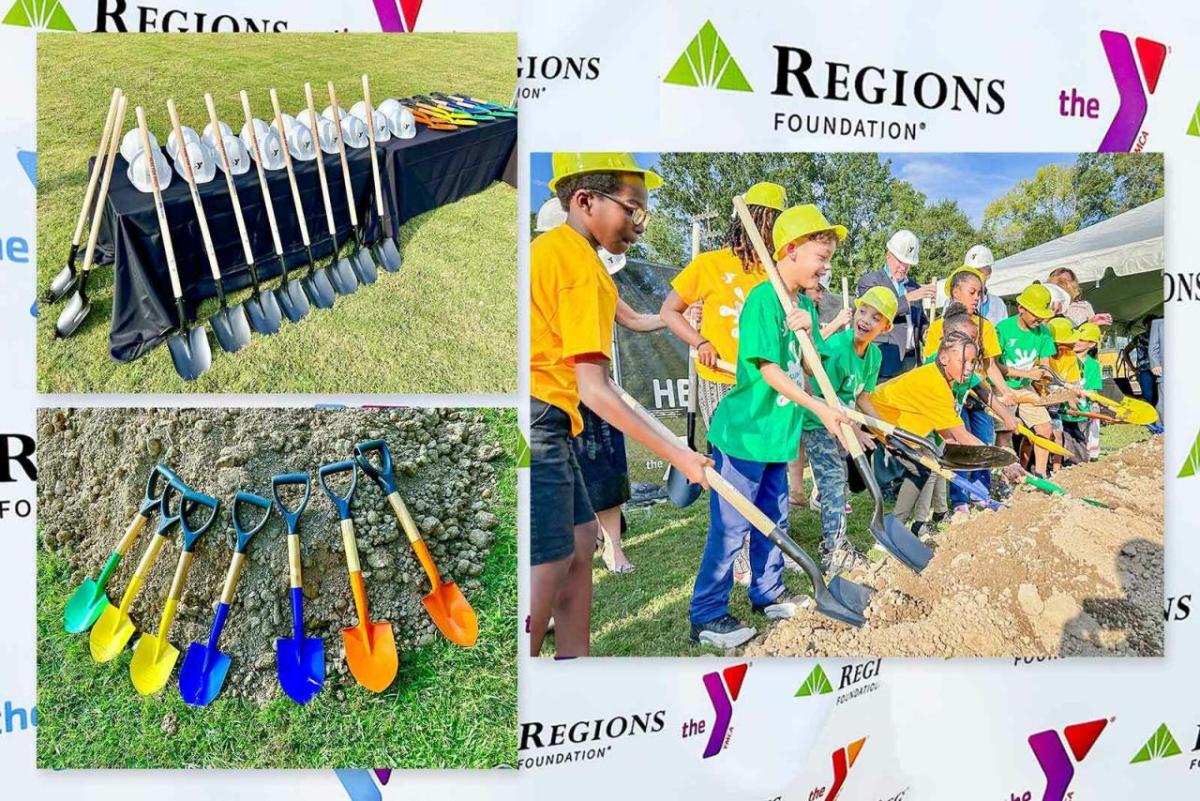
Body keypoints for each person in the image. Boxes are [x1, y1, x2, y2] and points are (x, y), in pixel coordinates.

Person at [530, 152, 711, 657]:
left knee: (584, 535)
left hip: (549, 413)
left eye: (643, 214)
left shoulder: (568, 255)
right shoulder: (577, 267)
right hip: (540, 414)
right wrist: (679, 454)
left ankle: (573, 656)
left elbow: (632, 319)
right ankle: (528, 657)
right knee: (550, 558)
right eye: (632, 210)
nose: (640, 225)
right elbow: (594, 388)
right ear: (586, 201)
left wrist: (678, 322)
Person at [690, 203, 850, 649]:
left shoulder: (804, 308)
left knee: (774, 518)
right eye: (821, 258)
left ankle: (767, 591)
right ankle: (706, 615)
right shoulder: (763, 298)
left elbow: (812, 364)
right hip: (745, 434)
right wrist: (818, 411)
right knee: (731, 527)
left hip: (779, 436)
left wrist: (808, 329)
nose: (825, 268)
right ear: (792, 251)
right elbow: (768, 371)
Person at [660, 181, 789, 586]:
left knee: (764, 474)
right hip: (721, 382)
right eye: (767, 222)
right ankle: (735, 554)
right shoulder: (711, 265)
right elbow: (670, 311)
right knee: (732, 473)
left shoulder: (777, 277)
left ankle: (758, 552)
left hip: (764, 387)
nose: (770, 232)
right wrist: (701, 340)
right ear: (749, 222)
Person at [536, 196, 661, 574]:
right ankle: (569, 557)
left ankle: (612, 547)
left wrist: (676, 319)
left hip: (592, 391)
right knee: (555, 482)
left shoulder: (595, 276)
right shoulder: (554, 266)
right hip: (556, 397)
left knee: (605, 469)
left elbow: (636, 319)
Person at [800, 285, 895, 572]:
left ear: (886, 326)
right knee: (832, 483)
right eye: (863, 312)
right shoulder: (837, 349)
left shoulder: (875, 356)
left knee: (837, 480)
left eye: (875, 317)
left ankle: (835, 542)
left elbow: (862, 395)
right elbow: (828, 398)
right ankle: (833, 551)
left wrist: (882, 429)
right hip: (818, 421)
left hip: (841, 421)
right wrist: (854, 428)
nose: (865, 320)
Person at [921, 265, 1018, 513]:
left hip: (976, 393)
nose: (978, 298)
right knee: (961, 445)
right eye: (973, 292)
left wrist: (1005, 394)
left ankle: (981, 493)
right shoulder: (939, 327)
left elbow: (990, 367)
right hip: (953, 398)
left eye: (981, 293)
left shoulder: (984, 327)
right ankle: (961, 498)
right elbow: (932, 366)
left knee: (984, 438)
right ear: (956, 292)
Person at [994, 284, 1058, 479]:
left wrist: (1047, 379)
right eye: (1035, 314)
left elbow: (1045, 366)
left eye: (1042, 315)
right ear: (1021, 308)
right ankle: (1003, 476)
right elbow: (995, 366)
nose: (1038, 319)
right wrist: (1028, 373)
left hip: (1025, 387)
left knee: (1045, 427)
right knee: (1005, 431)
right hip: (1002, 387)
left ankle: (1040, 473)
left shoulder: (1044, 332)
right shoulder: (1004, 329)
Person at [856, 229, 934, 378]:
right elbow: (876, 312)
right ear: (888, 256)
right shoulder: (871, 281)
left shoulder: (913, 286)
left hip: (911, 361)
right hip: (884, 359)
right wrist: (908, 299)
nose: (903, 267)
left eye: (908, 263)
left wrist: (927, 333)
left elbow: (920, 320)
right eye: (900, 261)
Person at [1045, 317, 1086, 469]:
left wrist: (1073, 405)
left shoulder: (1069, 356)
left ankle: (1057, 470)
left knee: (1057, 435)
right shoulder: (1044, 355)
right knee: (1037, 437)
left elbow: (1072, 385)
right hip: (1040, 401)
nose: (1073, 343)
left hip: (1057, 403)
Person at [1069, 322, 1105, 462]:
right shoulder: (1066, 360)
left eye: (1081, 340)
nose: (1076, 342)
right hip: (1065, 408)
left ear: (1091, 344)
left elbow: (1094, 390)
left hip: (1083, 409)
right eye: (1076, 338)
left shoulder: (1094, 365)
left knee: (1080, 441)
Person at [1046, 267, 1114, 328]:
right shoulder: (1044, 304)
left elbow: (1076, 337)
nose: (1065, 285)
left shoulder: (1084, 306)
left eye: (1068, 281)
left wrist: (1091, 324)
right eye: (1060, 281)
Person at [963, 244, 1008, 326]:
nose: (974, 276)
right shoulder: (952, 302)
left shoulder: (998, 304)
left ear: (989, 272)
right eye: (970, 272)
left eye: (978, 271)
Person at [1149, 315, 1164, 422]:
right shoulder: (1159, 323)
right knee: (1164, 403)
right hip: (1165, 370)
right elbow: (1153, 347)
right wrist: (1155, 363)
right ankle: (1162, 431)